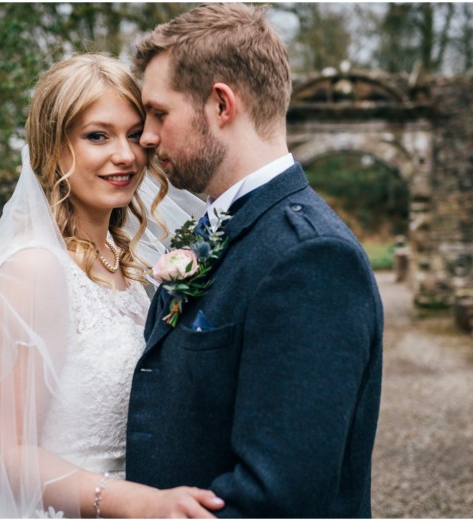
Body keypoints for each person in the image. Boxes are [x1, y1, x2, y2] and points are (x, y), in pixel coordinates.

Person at [126, 4, 384, 518]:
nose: (146, 138)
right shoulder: (228, 228)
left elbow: (278, 498)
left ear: (221, 105)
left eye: (158, 113)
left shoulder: (309, 258)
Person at [0, 54, 224, 518]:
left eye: (135, 135)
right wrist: (134, 502)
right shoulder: (32, 269)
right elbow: (2, 455)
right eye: (98, 136)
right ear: (53, 145)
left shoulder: (134, 263)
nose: (126, 155)